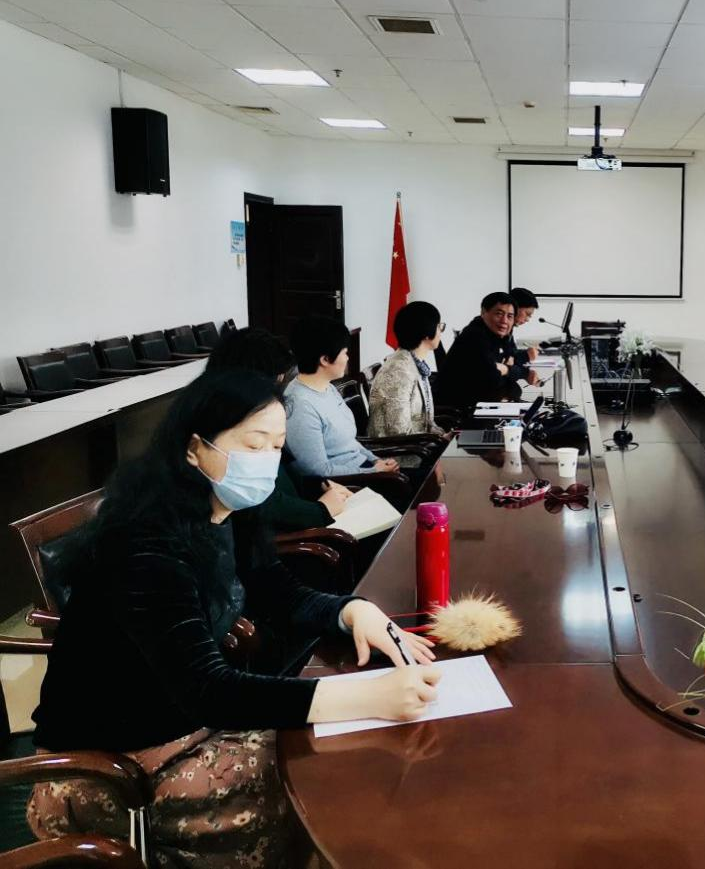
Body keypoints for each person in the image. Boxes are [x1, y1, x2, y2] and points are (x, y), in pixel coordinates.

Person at [27, 369, 440, 867]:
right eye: (253, 444)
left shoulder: (226, 510)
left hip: (189, 722)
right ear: (194, 448)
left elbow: (282, 593)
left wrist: (353, 611)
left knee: (337, 752)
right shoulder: (145, 541)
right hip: (115, 763)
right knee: (324, 770)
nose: (266, 460)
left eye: (277, 446)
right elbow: (209, 690)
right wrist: (366, 695)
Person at [208, 326, 353, 531]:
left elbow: (287, 472)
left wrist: (319, 486)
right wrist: (321, 510)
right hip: (281, 537)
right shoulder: (230, 427)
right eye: (277, 378)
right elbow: (259, 502)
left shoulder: (254, 414)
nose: (280, 385)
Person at [285, 316, 399, 477]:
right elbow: (318, 471)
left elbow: (349, 443)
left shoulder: (327, 387)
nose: (347, 358)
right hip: (346, 482)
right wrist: (373, 471)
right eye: (345, 353)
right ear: (325, 360)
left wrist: (375, 460)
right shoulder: (300, 406)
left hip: (362, 470)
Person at [370, 301, 443, 437]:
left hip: (421, 443)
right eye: (439, 327)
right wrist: (437, 440)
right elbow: (398, 433)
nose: (440, 332)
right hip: (403, 449)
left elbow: (425, 422)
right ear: (427, 333)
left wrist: (443, 436)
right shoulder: (398, 372)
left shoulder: (413, 363)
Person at [435, 291, 519, 409]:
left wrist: (505, 370)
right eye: (499, 314)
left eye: (510, 316)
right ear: (483, 312)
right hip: (456, 408)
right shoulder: (475, 335)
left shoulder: (496, 335)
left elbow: (513, 364)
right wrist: (508, 370)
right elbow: (492, 379)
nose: (504, 321)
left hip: (475, 402)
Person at [507, 286, 540, 379]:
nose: (527, 319)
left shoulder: (508, 328)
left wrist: (527, 354)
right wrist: (526, 356)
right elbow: (505, 363)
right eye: (527, 314)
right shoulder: (497, 329)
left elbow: (511, 355)